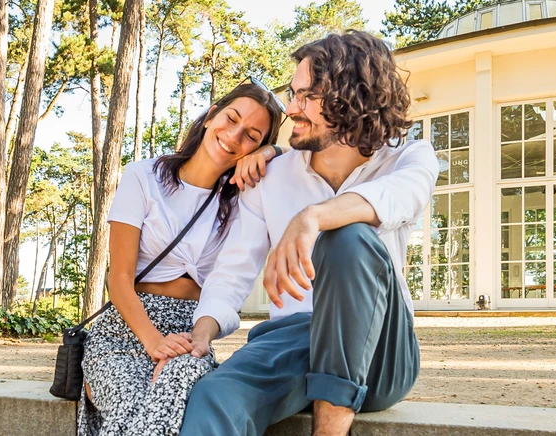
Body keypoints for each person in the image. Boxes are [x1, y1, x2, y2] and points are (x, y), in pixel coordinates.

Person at [179, 30, 437, 436]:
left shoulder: (408, 157)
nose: (291, 108)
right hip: (292, 343)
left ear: (350, 99)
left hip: (381, 351)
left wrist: (312, 217)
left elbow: (399, 198)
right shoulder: (269, 176)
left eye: (304, 96)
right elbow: (232, 271)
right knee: (214, 396)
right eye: (292, 93)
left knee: (349, 237)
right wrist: (202, 332)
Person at [78, 82, 286, 436]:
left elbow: (304, 161)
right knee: (130, 404)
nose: (234, 136)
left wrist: (273, 153)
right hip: (127, 327)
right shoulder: (143, 176)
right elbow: (119, 280)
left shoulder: (245, 201)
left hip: (192, 332)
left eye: (252, 136)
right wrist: (153, 341)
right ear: (209, 117)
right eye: (231, 119)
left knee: (173, 394)